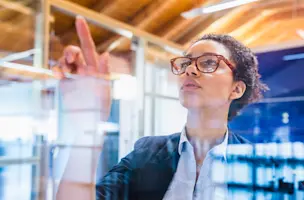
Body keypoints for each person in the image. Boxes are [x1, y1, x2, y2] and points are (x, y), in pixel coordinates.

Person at [55, 16, 268, 200]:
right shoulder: (146, 154)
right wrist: (87, 126)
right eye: (185, 63)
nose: (191, 70)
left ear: (237, 89)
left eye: (209, 63)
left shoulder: (263, 166)